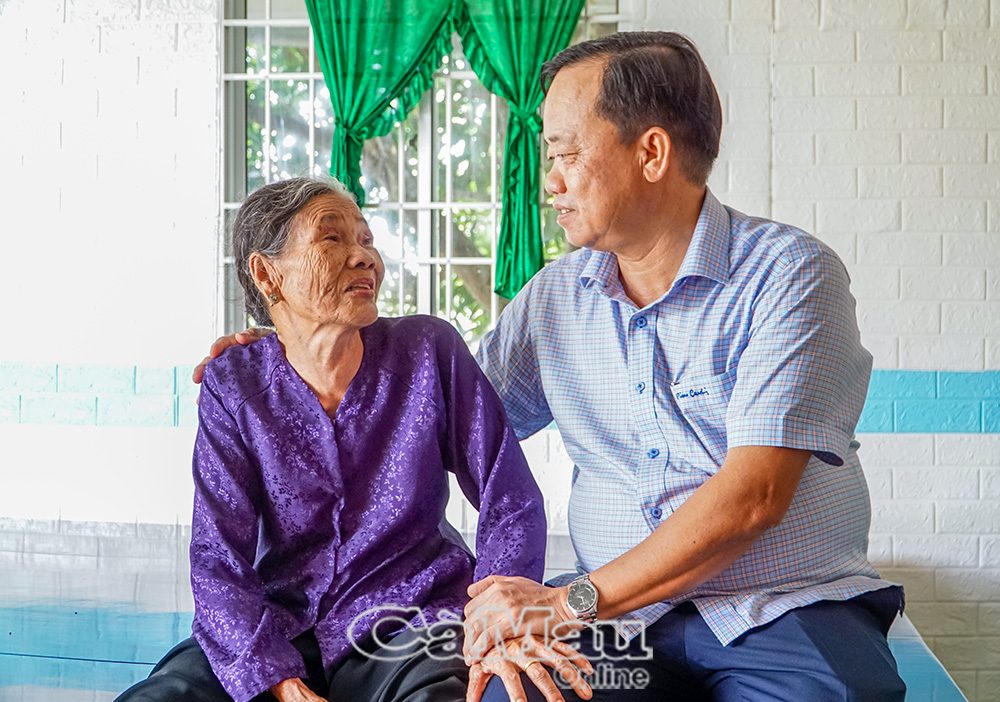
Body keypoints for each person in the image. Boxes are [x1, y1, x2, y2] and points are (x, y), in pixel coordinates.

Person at [198, 32, 905, 702]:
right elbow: (426, 408)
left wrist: (567, 603)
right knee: (501, 690)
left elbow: (754, 498)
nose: (550, 180)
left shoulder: (789, 275)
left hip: (778, 610)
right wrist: (292, 350)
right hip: (622, 626)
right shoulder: (556, 300)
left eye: (565, 152)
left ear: (651, 152)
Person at [117, 177, 567, 702]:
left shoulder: (428, 351)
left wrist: (499, 613)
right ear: (267, 274)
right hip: (280, 622)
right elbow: (218, 557)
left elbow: (508, 497)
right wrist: (278, 682)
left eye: (367, 240)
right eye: (332, 239)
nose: (364, 257)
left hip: (410, 620)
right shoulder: (233, 382)